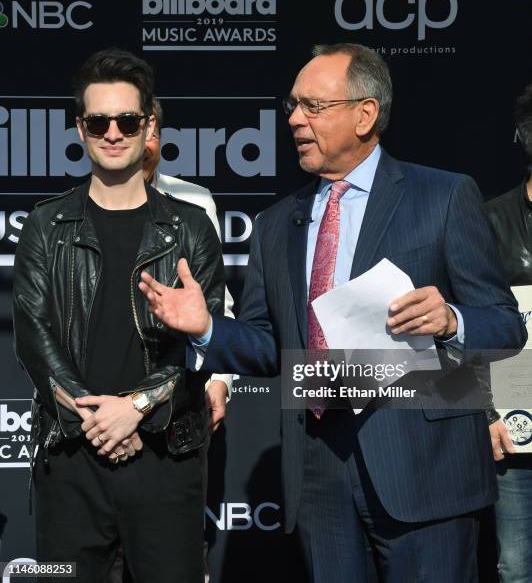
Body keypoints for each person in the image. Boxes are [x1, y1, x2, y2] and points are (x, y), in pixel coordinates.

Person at [139, 43, 526, 582]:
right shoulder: (276, 223)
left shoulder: (443, 196)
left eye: (313, 107)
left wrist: (453, 320)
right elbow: (265, 342)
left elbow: (506, 325)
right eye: (292, 106)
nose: (295, 119)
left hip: (424, 466)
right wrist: (206, 327)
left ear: (366, 114)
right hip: (318, 473)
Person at [12, 48, 225, 583]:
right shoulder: (46, 224)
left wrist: (136, 407)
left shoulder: (191, 226)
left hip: (165, 458)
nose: (113, 132)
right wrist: (98, 419)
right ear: (80, 127)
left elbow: (206, 342)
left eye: (127, 120)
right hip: (70, 462)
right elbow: (32, 337)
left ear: (149, 124)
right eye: (98, 120)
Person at [144, 98, 235, 428]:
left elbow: (215, 301)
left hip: (179, 396)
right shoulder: (68, 213)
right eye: (130, 128)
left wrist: (219, 380)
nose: (140, 144)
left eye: (150, 132)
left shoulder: (194, 202)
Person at [485, 84, 532, 582]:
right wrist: (485, 412)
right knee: (516, 569)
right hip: (518, 434)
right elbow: (461, 328)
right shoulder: (492, 221)